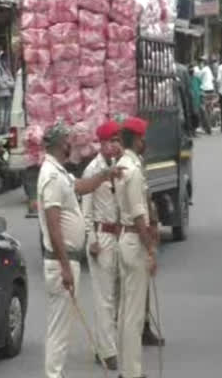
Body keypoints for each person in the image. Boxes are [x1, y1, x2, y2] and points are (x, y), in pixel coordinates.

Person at [38, 120, 122, 378]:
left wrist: (105, 175)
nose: (71, 144)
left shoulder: (60, 172)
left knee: (63, 326)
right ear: (59, 144)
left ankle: (56, 373)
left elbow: (81, 187)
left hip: (69, 260)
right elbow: (53, 226)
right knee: (59, 328)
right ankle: (53, 375)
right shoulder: (51, 176)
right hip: (61, 261)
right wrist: (65, 266)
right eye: (68, 140)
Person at [116, 117, 158, 378]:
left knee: (125, 310)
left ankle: (126, 368)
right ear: (137, 140)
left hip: (126, 238)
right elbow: (138, 214)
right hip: (133, 240)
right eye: (143, 138)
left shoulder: (125, 165)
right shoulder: (131, 170)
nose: (145, 142)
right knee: (132, 314)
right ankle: (132, 372)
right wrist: (151, 249)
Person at [82, 120, 124, 371]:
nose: (116, 145)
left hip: (121, 235)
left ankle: (107, 344)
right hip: (102, 235)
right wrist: (91, 240)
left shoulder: (121, 166)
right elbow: (85, 211)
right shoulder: (92, 171)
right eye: (112, 141)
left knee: (118, 296)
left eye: (118, 141)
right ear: (102, 143)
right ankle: (107, 352)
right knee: (104, 298)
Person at [0, 51, 15, 134]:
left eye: (7, 61)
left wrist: (6, 82)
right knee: (1, 117)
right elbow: (0, 85)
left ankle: (6, 133)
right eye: (4, 60)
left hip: (8, 96)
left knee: (7, 117)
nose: (6, 62)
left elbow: (13, 83)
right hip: (0, 97)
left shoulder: (7, 71)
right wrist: (8, 82)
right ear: (0, 60)